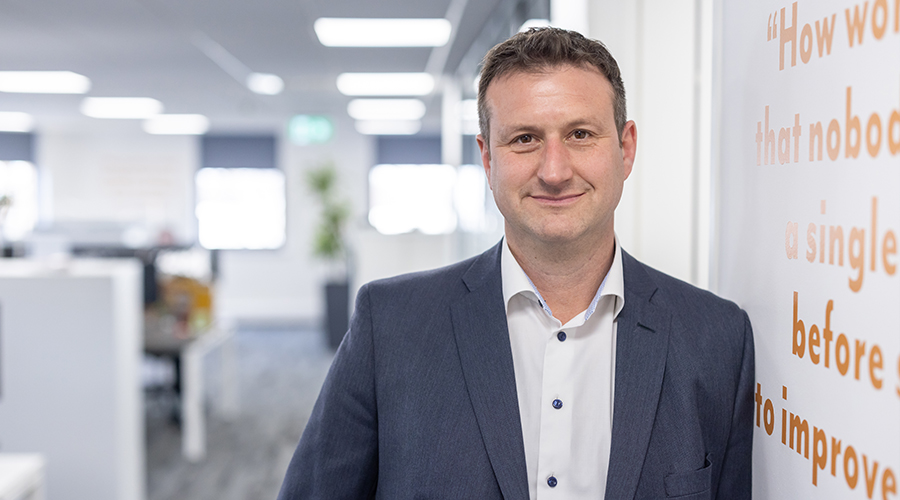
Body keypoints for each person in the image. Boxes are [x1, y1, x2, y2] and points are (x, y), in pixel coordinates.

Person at [278, 27, 754, 500]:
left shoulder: (716, 340)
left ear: (625, 149)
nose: (554, 170)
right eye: (525, 139)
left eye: (581, 134)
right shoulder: (391, 327)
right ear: (487, 159)